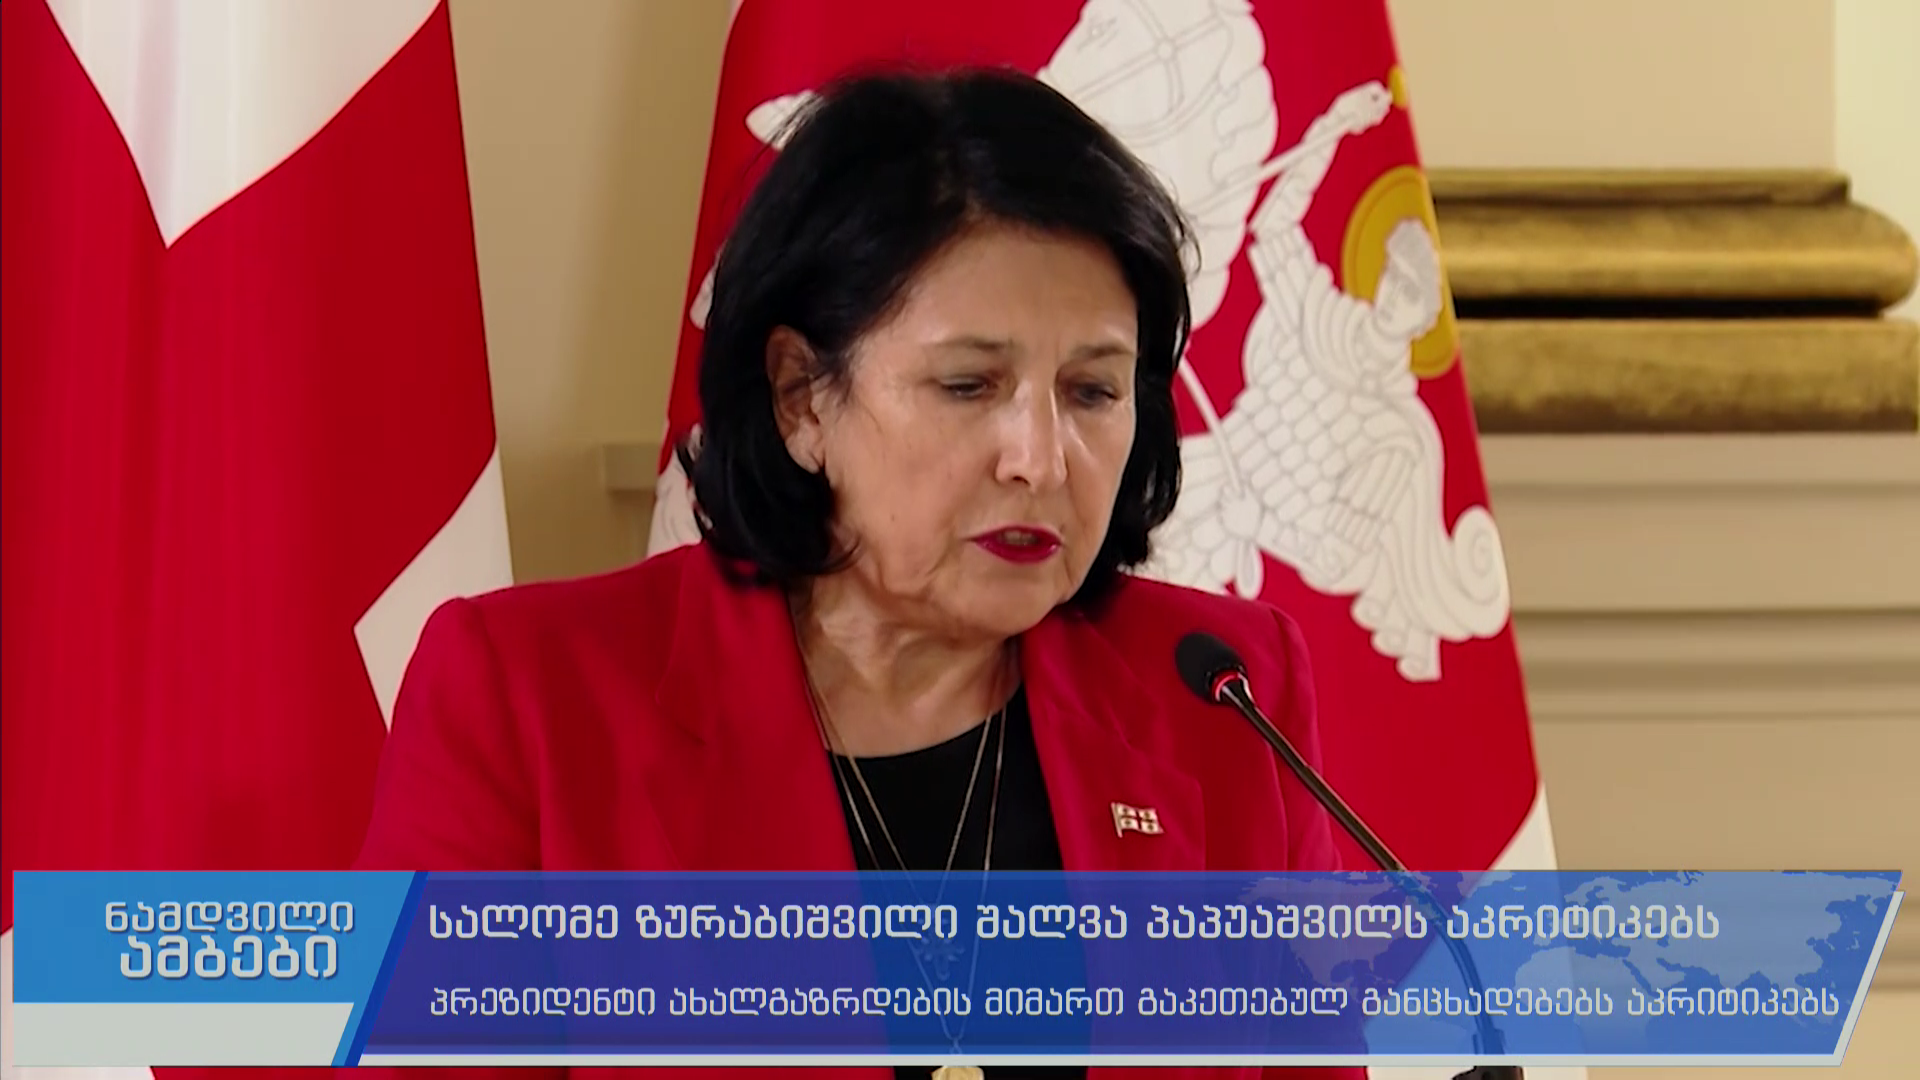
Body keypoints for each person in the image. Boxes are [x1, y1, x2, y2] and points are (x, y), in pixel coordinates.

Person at [357, 66, 1361, 1080]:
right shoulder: (526, 701)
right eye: (968, 385)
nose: (1041, 460)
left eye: (1092, 391)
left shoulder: (1225, 694)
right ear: (801, 399)